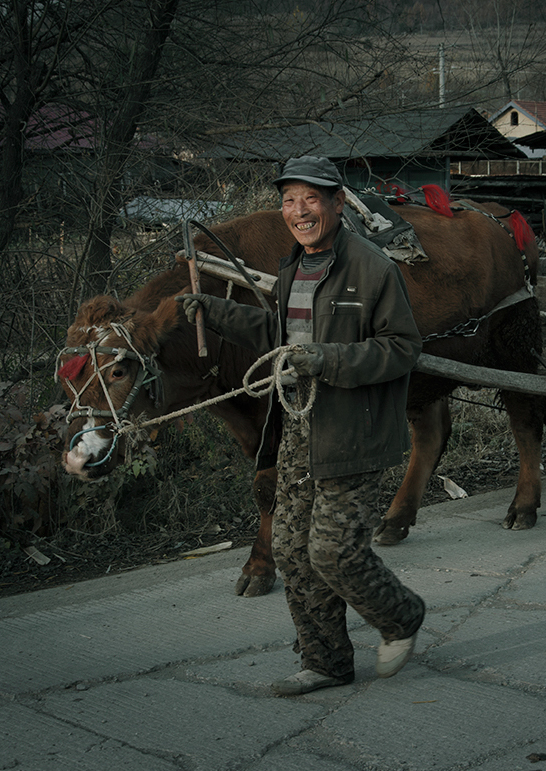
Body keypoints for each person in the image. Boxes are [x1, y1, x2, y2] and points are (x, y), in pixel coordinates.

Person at [176, 156, 426, 697]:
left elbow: (402, 349)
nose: (298, 210)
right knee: (290, 550)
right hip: (298, 430)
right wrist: (212, 312)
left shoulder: (372, 269)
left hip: (352, 436)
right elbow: (277, 331)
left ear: (337, 203)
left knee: (333, 552)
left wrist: (326, 359)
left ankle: (401, 614)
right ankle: (327, 661)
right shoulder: (294, 267)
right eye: (289, 199)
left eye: (310, 199)